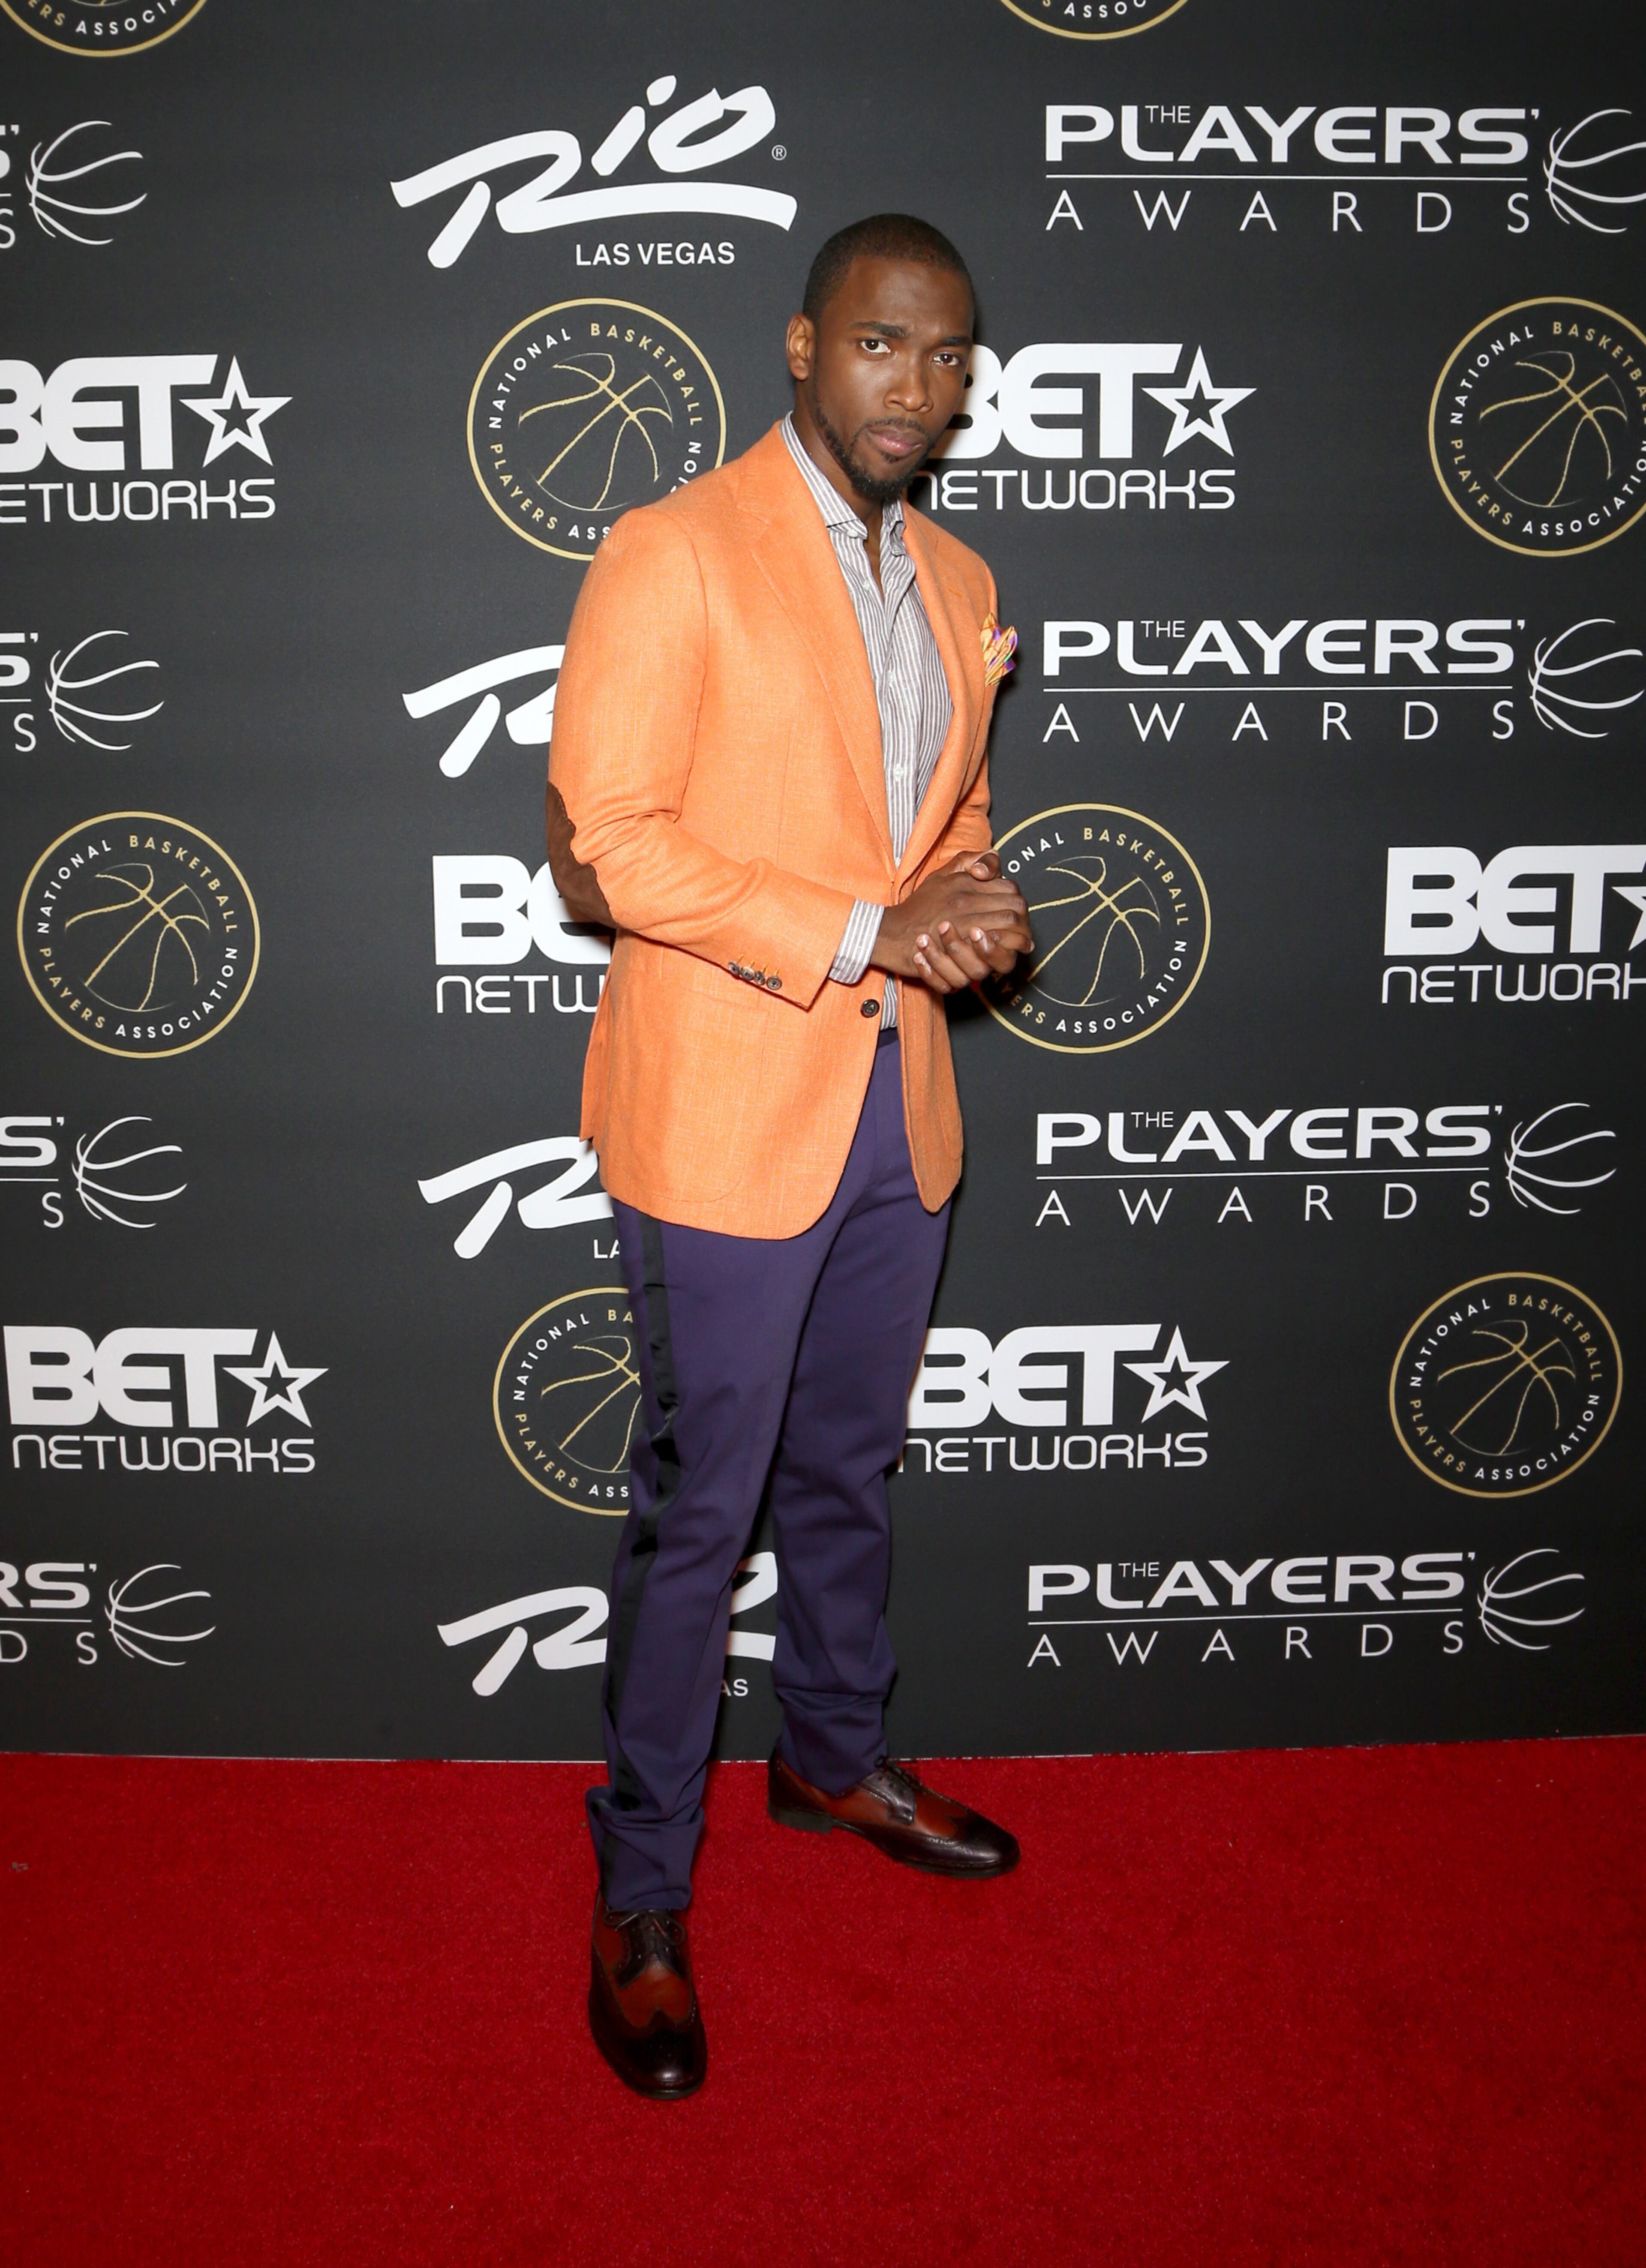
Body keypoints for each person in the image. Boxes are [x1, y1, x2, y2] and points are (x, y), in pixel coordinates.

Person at [547, 213, 1030, 2100]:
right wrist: (860, 929)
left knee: (847, 1472)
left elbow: (951, 815)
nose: (923, 386)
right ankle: (642, 1888)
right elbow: (616, 837)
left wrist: (967, 892)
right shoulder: (673, 551)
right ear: (803, 347)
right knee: (699, 1514)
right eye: (887, 347)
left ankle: (831, 1752)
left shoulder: (966, 573)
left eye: (952, 356)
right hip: (727, 1107)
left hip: (896, 1110)